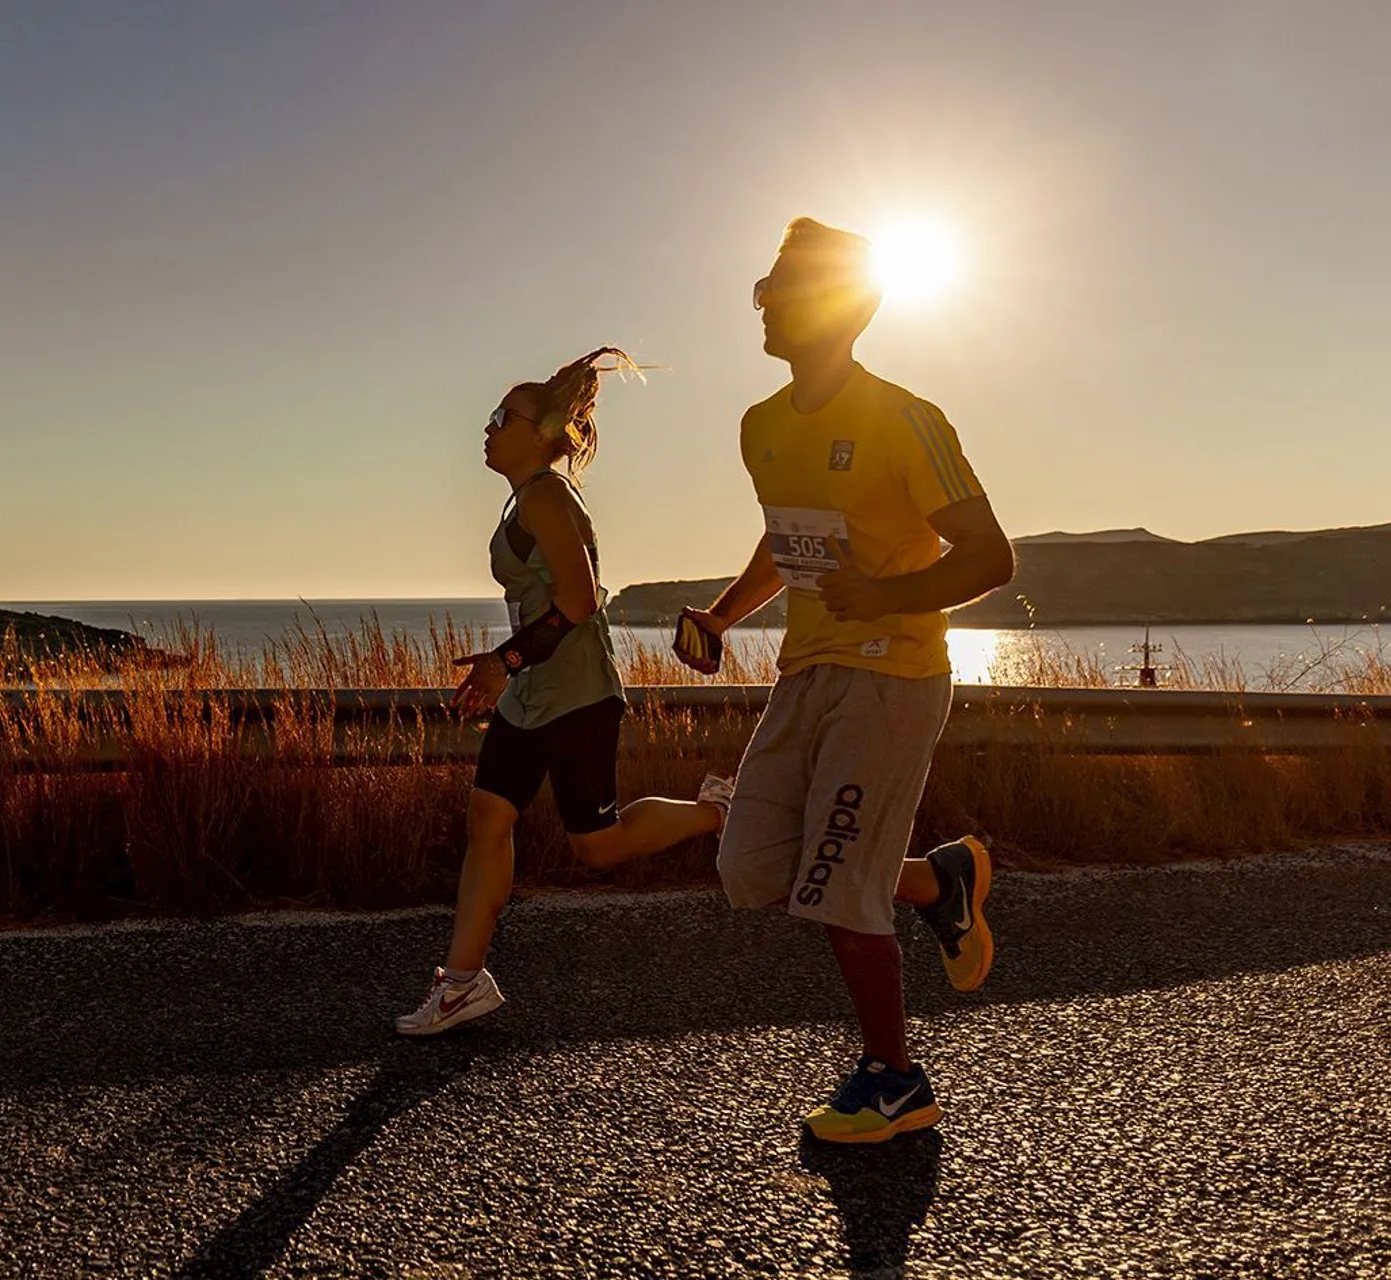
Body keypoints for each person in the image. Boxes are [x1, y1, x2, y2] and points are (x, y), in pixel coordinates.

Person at [676, 218, 1014, 1143]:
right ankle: (937, 884)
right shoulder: (762, 426)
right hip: (806, 671)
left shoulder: (907, 418)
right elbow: (787, 541)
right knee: (751, 863)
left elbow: (991, 556)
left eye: (782, 286)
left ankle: (897, 1081)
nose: (763, 301)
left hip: (894, 675)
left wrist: (890, 592)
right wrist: (719, 615)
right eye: (763, 284)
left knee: (833, 882)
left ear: (840, 306)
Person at [396, 348, 734, 1036]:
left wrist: (504, 662)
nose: (487, 427)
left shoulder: (547, 494)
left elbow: (579, 603)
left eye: (503, 417)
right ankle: (462, 985)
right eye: (491, 415)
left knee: (598, 846)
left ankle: (715, 812)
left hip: (575, 693)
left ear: (543, 434)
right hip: (532, 695)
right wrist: (507, 674)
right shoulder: (525, 497)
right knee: (488, 820)